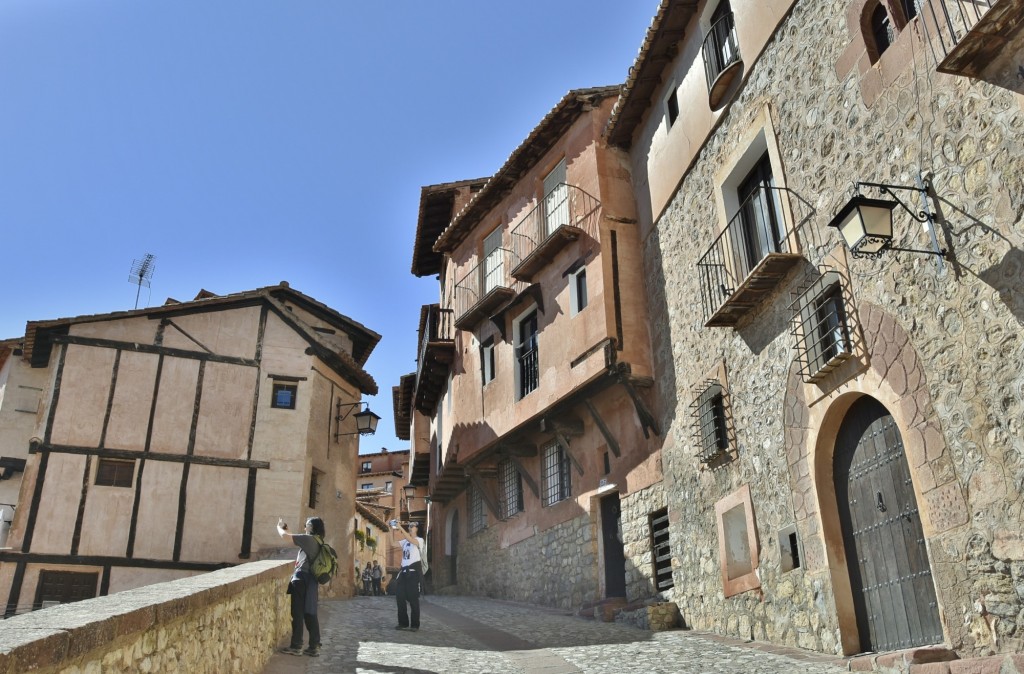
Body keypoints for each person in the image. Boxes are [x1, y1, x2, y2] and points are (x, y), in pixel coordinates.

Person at [277, 517, 323, 657]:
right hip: (311, 581)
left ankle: (296, 646)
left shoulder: (308, 539)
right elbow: (292, 536)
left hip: (301, 579)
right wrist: (286, 527)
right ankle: (314, 646)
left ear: (311, 527)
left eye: (306, 525)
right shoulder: (318, 541)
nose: (304, 528)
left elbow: (286, 537)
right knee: (310, 612)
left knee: (297, 613)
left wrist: (278, 527)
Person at [391, 520, 424, 631]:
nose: (410, 527)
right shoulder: (405, 541)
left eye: (412, 526)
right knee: (400, 597)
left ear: (417, 529)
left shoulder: (420, 540)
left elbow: (411, 540)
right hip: (403, 573)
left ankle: (415, 625)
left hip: (413, 574)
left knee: (413, 599)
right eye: (409, 526)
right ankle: (403, 623)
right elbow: (392, 543)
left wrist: (400, 527)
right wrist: (391, 529)